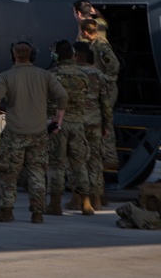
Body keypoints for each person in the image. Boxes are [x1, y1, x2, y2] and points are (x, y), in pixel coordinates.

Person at [0, 42, 68, 223]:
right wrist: (58, 119)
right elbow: (62, 95)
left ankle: (6, 210)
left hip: (15, 132)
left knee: (9, 173)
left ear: (13, 56)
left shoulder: (6, 77)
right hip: (38, 133)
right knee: (37, 172)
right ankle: (37, 212)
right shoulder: (44, 75)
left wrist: (0, 108)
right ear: (32, 56)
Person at [45, 40, 93, 216]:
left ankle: (55, 204)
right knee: (79, 164)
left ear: (56, 55)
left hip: (57, 124)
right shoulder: (82, 76)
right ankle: (86, 203)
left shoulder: (52, 76)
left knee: (56, 164)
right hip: (78, 124)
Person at [73, 40, 113, 209]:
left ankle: (78, 198)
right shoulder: (98, 75)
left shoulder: (72, 74)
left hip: (77, 123)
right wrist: (106, 125)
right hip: (95, 123)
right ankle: (97, 197)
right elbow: (106, 103)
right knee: (95, 161)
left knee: (76, 161)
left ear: (77, 56)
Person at [80, 18, 120, 170]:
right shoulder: (93, 44)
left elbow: (114, 65)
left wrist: (107, 79)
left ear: (84, 31)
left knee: (105, 122)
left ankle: (110, 158)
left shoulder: (101, 44)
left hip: (107, 89)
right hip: (101, 87)